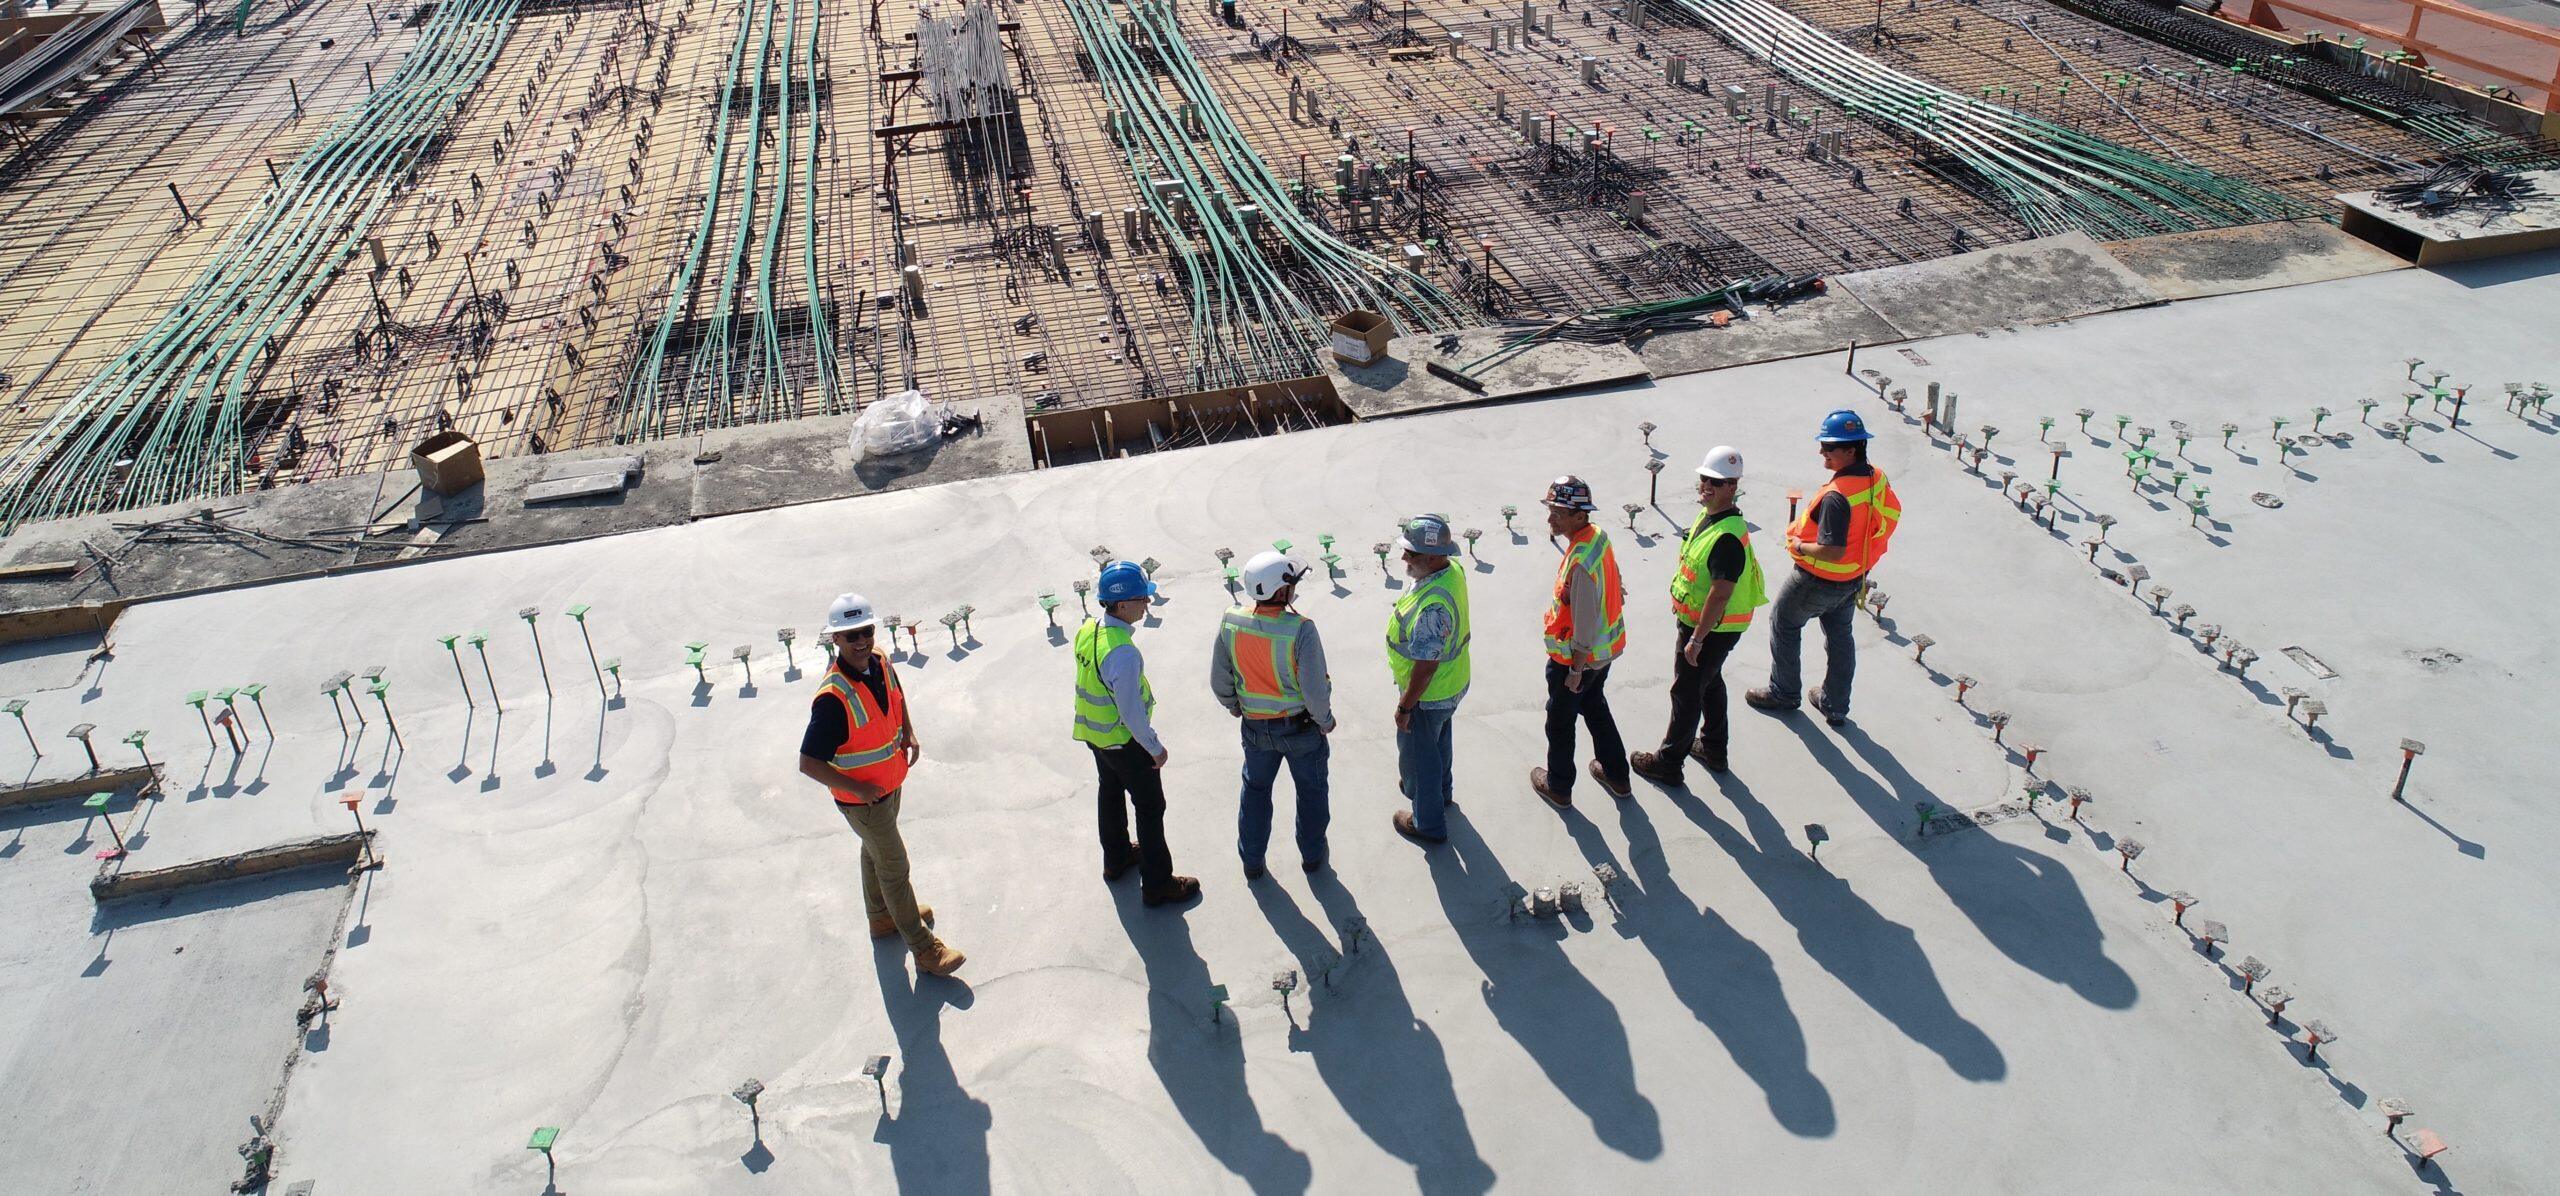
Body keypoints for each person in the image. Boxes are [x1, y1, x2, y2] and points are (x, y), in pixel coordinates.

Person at [795, 593, 966, 977]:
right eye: (850, 635)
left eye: (866, 631)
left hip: (889, 785)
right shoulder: (832, 699)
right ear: (834, 640)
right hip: (864, 801)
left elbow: (896, 697)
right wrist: (858, 791)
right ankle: (924, 950)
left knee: (875, 853)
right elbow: (809, 763)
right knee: (895, 866)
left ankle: (882, 918)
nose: (861, 642)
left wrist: (909, 731)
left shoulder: (881, 662)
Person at [1748, 410, 1903, 726]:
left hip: (1817, 579)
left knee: (1784, 622)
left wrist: (1799, 546)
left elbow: (1832, 550)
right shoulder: (1876, 478)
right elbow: (1882, 520)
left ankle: (1784, 692)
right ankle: (1835, 704)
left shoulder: (1837, 497)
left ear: (1851, 450)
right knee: (1840, 636)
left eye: (1829, 447)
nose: (1822, 452)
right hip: (1853, 576)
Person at [1631, 446, 1768, 786]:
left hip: (1710, 629)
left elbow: (1720, 592)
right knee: (1709, 682)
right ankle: (1714, 748)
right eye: (1705, 479)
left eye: (1716, 483)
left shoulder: (1726, 537)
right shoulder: (1711, 517)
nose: (1706, 487)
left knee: (1686, 692)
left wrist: (1697, 638)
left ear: (1732, 487)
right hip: (1707, 626)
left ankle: (1668, 763)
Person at [1074, 560, 1201, 908]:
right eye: (1142, 599)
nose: (1148, 604)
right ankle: (1158, 884)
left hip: (1094, 734)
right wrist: (1154, 748)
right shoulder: (1123, 652)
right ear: (1122, 604)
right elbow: (1130, 711)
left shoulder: (1089, 629)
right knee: (1149, 807)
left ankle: (1116, 859)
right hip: (1124, 741)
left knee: (1110, 792)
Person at [1211, 551, 1335, 878]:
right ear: (1280, 592)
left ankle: (1252, 861)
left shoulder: (1232, 620)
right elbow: (1314, 689)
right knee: (1311, 792)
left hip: (1254, 729)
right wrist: (1325, 721)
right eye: (1292, 584)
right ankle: (1311, 855)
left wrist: (1235, 706)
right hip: (1301, 730)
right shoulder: (1301, 630)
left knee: (1255, 792)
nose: (1295, 588)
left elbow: (1220, 679)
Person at [1531, 476, 1630, 808]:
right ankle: (1617, 775)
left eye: (1557, 513)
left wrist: (1575, 670)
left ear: (1578, 516)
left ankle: (1559, 786)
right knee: (1595, 707)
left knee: (1559, 722)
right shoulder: (1596, 537)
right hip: (1603, 656)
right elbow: (1612, 575)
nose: (1550, 519)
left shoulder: (1581, 562)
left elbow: (1585, 624)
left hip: (1576, 661)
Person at [1386, 514, 1470, 846]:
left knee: (1420, 760)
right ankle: (1442, 794)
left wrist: (1405, 707)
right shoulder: (1451, 571)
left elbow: (1425, 666)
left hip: (1429, 694)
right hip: (1452, 684)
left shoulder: (1433, 607)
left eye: (1412, 553)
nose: (1404, 558)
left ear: (1433, 557)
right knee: (1438, 743)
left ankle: (1428, 823)